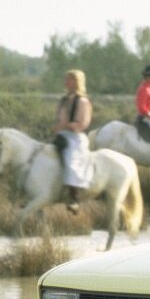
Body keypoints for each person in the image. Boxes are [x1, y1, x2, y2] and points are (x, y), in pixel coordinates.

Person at [53, 69, 93, 214]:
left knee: (71, 160)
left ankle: (74, 198)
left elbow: (82, 123)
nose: (67, 82)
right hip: (62, 134)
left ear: (77, 82)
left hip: (75, 137)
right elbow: (59, 118)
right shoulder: (63, 100)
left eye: (70, 80)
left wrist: (66, 126)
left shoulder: (82, 101)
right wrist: (57, 126)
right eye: (66, 79)